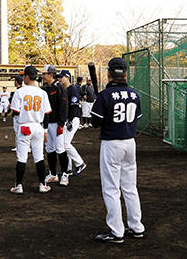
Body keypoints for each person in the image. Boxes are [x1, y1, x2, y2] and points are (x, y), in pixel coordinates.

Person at [91, 57, 144, 244]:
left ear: (109, 73)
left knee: (111, 188)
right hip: (130, 143)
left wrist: (96, 104)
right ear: (126, 73)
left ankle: (116, 231)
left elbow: (95, 123)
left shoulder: (105, 96)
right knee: (130, 187)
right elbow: (136, 117)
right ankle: (136, 226)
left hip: (112, 144)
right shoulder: (134, 94)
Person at [9, 66, 52, 194]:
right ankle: (42, 184)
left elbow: (15, 112)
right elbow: (47, 114)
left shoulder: (20, 92)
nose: (23, 78)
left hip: (25, 126)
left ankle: (19, 185)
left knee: (22, 157)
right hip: (38, 126)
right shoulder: (42, 92)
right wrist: (45, 130)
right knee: (39, 157)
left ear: (27, 76)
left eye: (24, 76)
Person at [42, 65, 69, 186]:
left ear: (50, 75)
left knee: (60, 148)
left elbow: (64, 106)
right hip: (47, 123)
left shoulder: (59, 88)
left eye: (44, 74)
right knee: (50, 149)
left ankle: (64, 174)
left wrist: (61, 123)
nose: (43, 76)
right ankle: (53, 173)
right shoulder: (44, 88)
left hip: (57, 123)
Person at [57, 70, 87, 176]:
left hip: (73, 119)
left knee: (65, 143)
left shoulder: (72, 89)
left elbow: (74, 106)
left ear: (67, 77)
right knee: (64, 144)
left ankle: (80, 163)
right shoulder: (65, 89)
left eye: (61, 77)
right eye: (59, 77)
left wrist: (69, 120)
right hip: (69, 119)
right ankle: (68, 169)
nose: (60, 79)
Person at [9, 75, 23, 152]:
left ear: (16, 82)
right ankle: (23, 147)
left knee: (18, 131)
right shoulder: (23, 90)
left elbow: (14, 105)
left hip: (18, 114)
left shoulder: (18, 91)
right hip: (23, 114)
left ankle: (19, 147)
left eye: (15, 81)